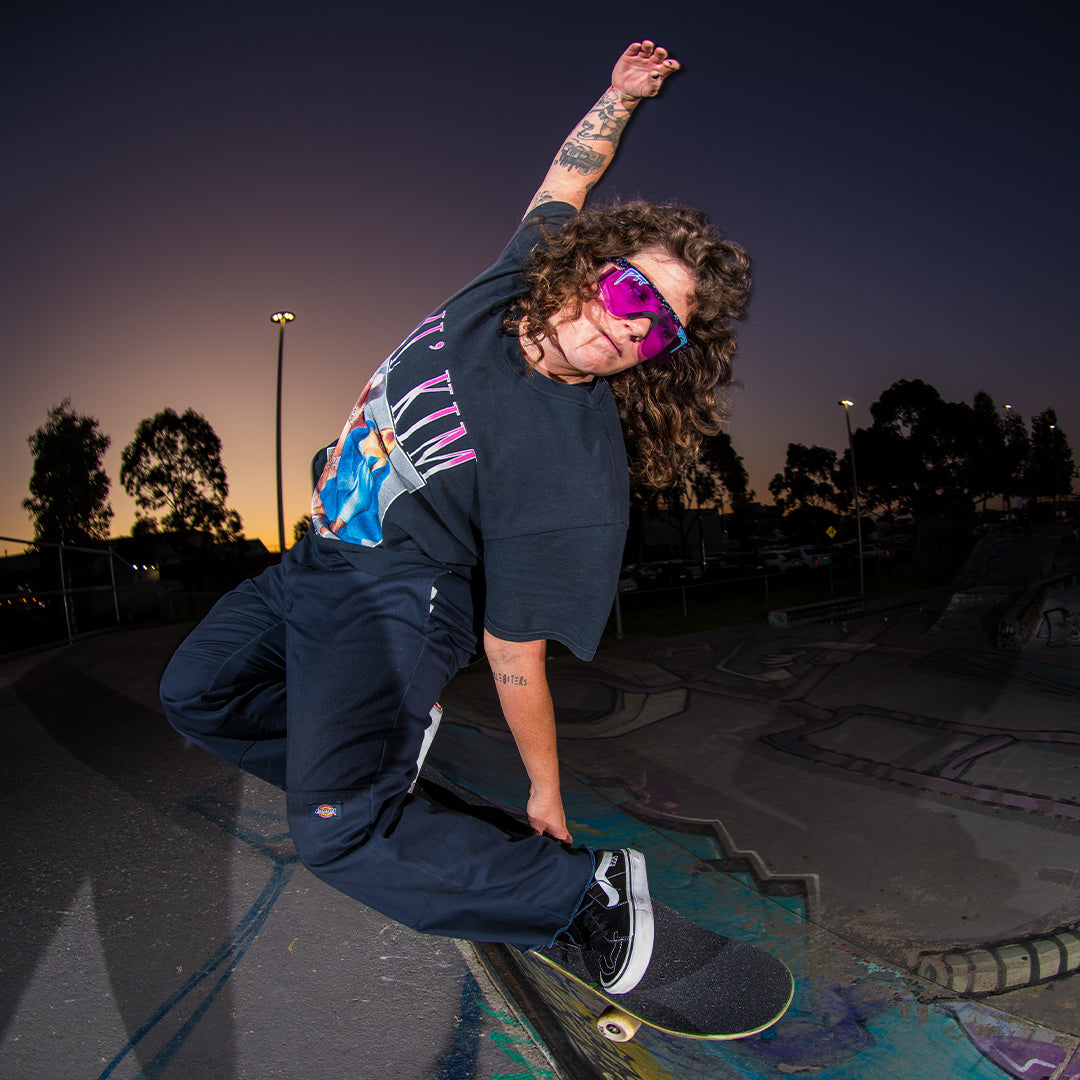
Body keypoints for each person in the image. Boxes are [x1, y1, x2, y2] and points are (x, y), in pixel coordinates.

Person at [159, 39, 751, 997]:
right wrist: (620, 93)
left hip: (398, 602)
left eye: (660, 330)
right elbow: (572, 172)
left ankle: (574, 895)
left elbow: (516, 653)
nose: (630, 325)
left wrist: (545, 793)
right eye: (633, 291)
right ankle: (368, 774)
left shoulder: (575, 469)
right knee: (199, 694)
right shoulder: (513, 277)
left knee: (337, 836)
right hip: (315, 561)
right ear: (591, 267)